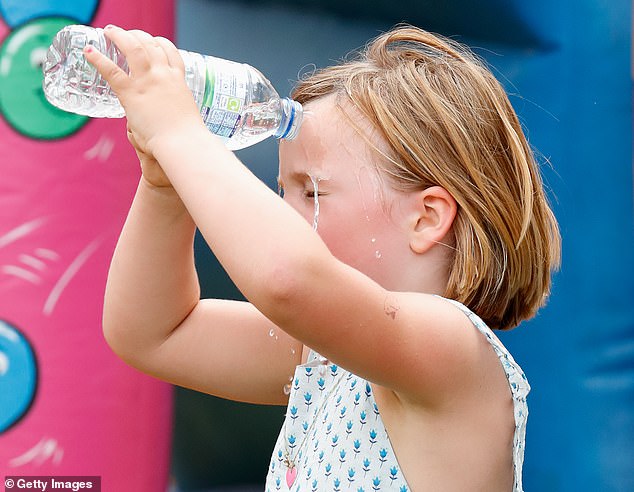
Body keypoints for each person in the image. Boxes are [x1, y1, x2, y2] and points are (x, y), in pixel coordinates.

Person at [86, 23, 561, 491]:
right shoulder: (321, 357)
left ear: (426, 218)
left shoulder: (452, 349)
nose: (283, 212)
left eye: (311, 192)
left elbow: (288, 279)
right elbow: (153, 332)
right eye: (281, 190)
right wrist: (163, 184)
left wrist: (181, 134)